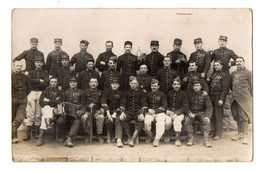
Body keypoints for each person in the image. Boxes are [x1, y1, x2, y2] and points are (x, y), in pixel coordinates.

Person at [23, 56, 49, 141]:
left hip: (41, 92)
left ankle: (36, 132)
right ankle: (28, 133)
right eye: (37, 62)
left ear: (42, 63)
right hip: (32, 92)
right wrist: (39, 81)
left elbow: (45, 84)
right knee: (30, 112)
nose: (39, 64)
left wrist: (36, 82)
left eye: (40, 62)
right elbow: (29, 81)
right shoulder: (31, 72)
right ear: (35, 63)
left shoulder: (45, 73)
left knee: (38, 113)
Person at [119, 76, 148, 147]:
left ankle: (133, 139)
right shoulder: (126, 93)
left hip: (138, 112)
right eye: (132, 83)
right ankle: (129, 138)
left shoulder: (141, 93)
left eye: (135, 83)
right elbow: (123, 103)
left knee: (141, 119)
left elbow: (144, 104)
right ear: (129, 84)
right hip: (128, 112)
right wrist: (122, 112)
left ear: (137, 84)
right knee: (122, 119)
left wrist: (142, 113)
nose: (133, 85)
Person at [56, 77, 85, 147]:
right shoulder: (65, 92)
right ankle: (62, 136)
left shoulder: (81, 92)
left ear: (77, 83)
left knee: (77, 121)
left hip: (75, 115)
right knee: (60, 121)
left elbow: (83, 104)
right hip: (66, 114)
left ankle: (69, 138)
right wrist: (61, 111)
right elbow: (60, 103)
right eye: (71, 82)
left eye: (74, 82)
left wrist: (81, 111)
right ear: (69, 84)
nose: (73, 84)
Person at [184, 80, 213, 148]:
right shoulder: (189, 95)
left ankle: (206, 140)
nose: (196, 87)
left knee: (206, 121)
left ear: (201, 87)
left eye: (198, 86)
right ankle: (190, 139)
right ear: (193, 87)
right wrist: (189, 113)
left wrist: (207, 116)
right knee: (187, 121)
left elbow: (209, 106)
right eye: (194, 86)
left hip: (201, 113)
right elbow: (186, 106)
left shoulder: (205, 95)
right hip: (191, 112)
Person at [230, 57, 252, 145]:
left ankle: (245, 136)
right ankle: (240, 133)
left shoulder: (249, 73)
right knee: (236, 115)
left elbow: (252, 86)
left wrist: (251, 97)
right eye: (237, 61)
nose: (238, 63)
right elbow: (231, 85)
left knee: (243, 117)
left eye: (240, 61)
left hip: (244, 98)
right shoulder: (233, 73)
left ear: (243, 62)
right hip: (235, 98)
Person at [207, 60, 230, 140]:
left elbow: (225, 89)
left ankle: (218, 133)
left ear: (222, 66)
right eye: (215, 65)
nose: (216, 66)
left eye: (217, 65)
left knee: (218, 115)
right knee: (212, 115)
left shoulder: (224, 75)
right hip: (211, 96)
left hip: (218, 96)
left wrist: (221, 99)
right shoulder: (213, 74)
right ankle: (213, 131)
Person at [36, 77, 62, 146]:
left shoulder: (59, 92)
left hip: (55, 109)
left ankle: (41, 137)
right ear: (50, 83)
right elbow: (41, 102)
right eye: (52, 82)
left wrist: (48, 100)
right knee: (47, 109)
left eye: (55, 82)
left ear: (57, 83)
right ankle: (47, 125)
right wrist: (53, 101)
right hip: (46, 108)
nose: (53, 83)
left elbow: (59, 101)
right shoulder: (45, 91)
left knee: (45, 116)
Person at [144, 79, 169, 147]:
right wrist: (148, 109)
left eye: (155, 86)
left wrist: (155, 111)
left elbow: (164, 106)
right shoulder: (147, 94)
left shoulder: (162, 94)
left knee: (160, 122)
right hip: (150, 112)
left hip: (160, 112)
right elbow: (144, 104)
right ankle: (150, 135)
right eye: (152, 86)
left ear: (158, 86)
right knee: (146, 122)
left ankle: (157, 139)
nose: (154, 87)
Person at [12, 61, 31, 143]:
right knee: (11, 117)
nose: (19, 67)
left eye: (20, 66)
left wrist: (24, 95)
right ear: (14, 67)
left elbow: (29, 88)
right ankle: (14, 137)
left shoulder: (25, 76)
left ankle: (12, 134)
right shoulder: (10, 75)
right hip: (12, 100)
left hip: (23, 100)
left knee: (20, 118)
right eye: (17, 66)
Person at [81, 77, 105, 143]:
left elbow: (103, 102)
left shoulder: (101, 92)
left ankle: (99, 135)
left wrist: (101, 109)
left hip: (97, 111)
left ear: (97, 84)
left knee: (101, 117)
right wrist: (88, 106)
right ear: (89, 84)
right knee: (84, 117)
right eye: (92, 82)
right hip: (87, 111)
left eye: (95, 82)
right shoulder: (84, 92)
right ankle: (86, 134)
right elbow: (82, 103)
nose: (93, 84)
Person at [166, 77, 188, 147]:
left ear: (180, 85)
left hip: (179, 113)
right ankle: (167, 134)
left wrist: (176, 113)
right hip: (170, 112)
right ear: (172, 85)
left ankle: (177, 138)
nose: (176, 86)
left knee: (177, 121)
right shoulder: (169, 93)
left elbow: (185, 107)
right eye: (174, 84)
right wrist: (168, 110)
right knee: (167, 122)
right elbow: (166, 104)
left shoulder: (184, 94)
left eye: (178, 84)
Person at [100, 78, 123, 146]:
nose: (114, 85)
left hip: (117, 112)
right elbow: (103, 102)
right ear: (111, 85)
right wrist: (108, 114)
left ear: (119, 85)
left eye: (116, 84)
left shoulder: (121, 93)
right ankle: (111, 134)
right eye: (113, 84)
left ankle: (118, 139)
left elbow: (122, 104)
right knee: (108, 121)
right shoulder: (106, 92)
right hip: (108, 112)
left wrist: (115, 113)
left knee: (118, 120)